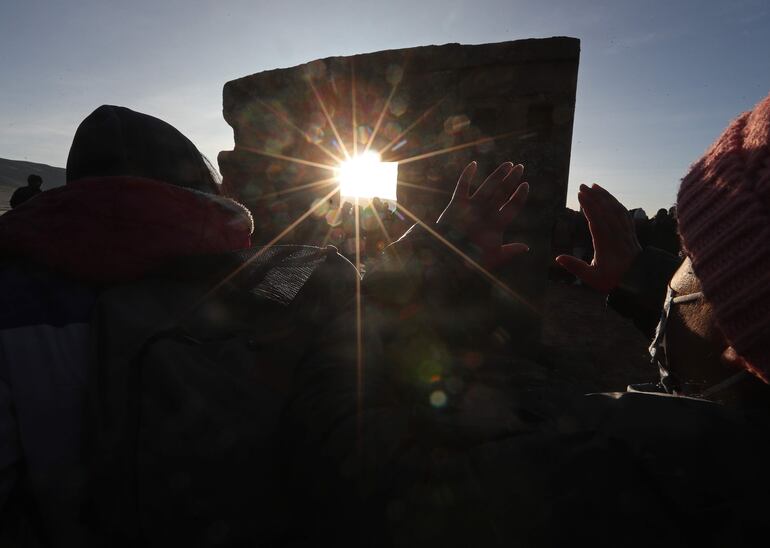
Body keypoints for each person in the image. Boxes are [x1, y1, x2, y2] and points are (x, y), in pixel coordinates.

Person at [556, 91, 770, 408]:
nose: (677, 271)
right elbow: (705, 322)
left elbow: (486, 437)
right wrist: (638, 273)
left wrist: (464, 278)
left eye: (693, 259)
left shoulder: (629, 446)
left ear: (738, 349)